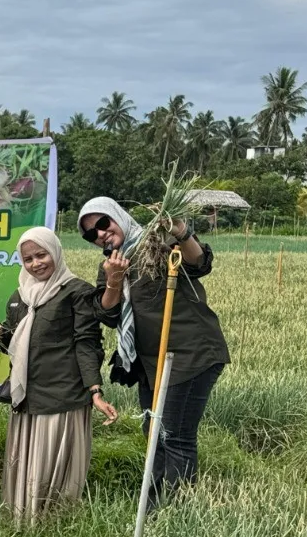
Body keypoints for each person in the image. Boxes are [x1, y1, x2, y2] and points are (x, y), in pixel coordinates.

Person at [79, 196, 228, 498]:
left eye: (103, 224)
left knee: (173, 435)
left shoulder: (157, 243)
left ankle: (175, 510)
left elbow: (199, 264)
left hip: (189, 354)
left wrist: (180, 231)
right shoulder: (110, 265)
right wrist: (113, 279)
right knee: (153, 435)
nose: (100, 234)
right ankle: (154, 503)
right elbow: (106, 314)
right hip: (148, 362)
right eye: (91, 234)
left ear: (117, 217)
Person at [0, 226, 117, 520]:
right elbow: (11, 344)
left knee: (53, 462)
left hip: (62, 396)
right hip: (26, 396)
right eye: (28, 259)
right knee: (25, 462)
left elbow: (86, 343)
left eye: (42, 255)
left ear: (56, 252)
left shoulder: (77, 291)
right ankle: (23, 519)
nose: (36, 263)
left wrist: (95, 391)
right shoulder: (18, 296)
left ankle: (55, 521)